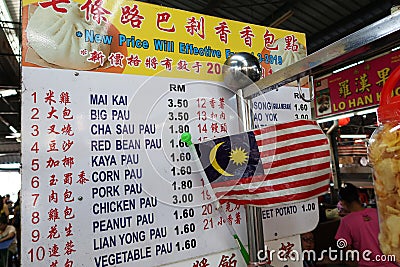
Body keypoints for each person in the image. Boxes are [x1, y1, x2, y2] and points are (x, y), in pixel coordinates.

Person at [335, 183, 398, 266]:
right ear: (359, 197)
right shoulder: (377, 212)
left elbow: (346, 250)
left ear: (342, 202)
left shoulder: (346, 221)